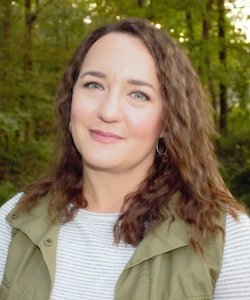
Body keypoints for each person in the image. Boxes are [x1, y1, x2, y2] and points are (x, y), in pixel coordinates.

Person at [0, 18, 249, 300]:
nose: (108, 111)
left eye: (138, 94)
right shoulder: (15, 222)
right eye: (94, 85)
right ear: (70, 103)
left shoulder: (225, 238)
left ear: (168, 122)